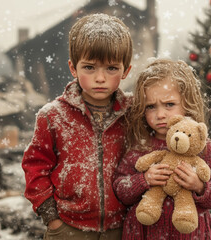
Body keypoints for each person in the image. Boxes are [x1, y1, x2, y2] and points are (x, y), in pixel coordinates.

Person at [22, 13, 133, 240]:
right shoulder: (52, 116)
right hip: (69, 229)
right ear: (73, 68)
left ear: (126, 71)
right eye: (90, 67)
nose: (100, 78)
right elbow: (35, 168)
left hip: (122, 229)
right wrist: (52, 219)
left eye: (111, 68)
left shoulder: (133, 114)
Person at [113, 58, 211, 239]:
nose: (160, 115)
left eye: (169, 104)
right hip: (144, 234)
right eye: (151, 107)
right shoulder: (140, 148)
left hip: (191, 234)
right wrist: (143, 180)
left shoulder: (205, 149)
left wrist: (199, 186)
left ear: (187, 102)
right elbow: (121, 189)